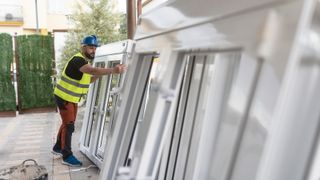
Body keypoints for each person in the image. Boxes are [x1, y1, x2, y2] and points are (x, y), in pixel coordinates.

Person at [51, 35, 127, 167]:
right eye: (91, 47)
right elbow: (91, 70)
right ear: (83, 47)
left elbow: (89, 79)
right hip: (64, 97)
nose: (94, 50)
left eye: (95, 48)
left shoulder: (84, 62)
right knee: (69, 125)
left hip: (71, 98)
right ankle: (67, 155)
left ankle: (58, 147)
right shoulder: (77, 60)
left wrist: (103, 73)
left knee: (67, 123)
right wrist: (113, 70)